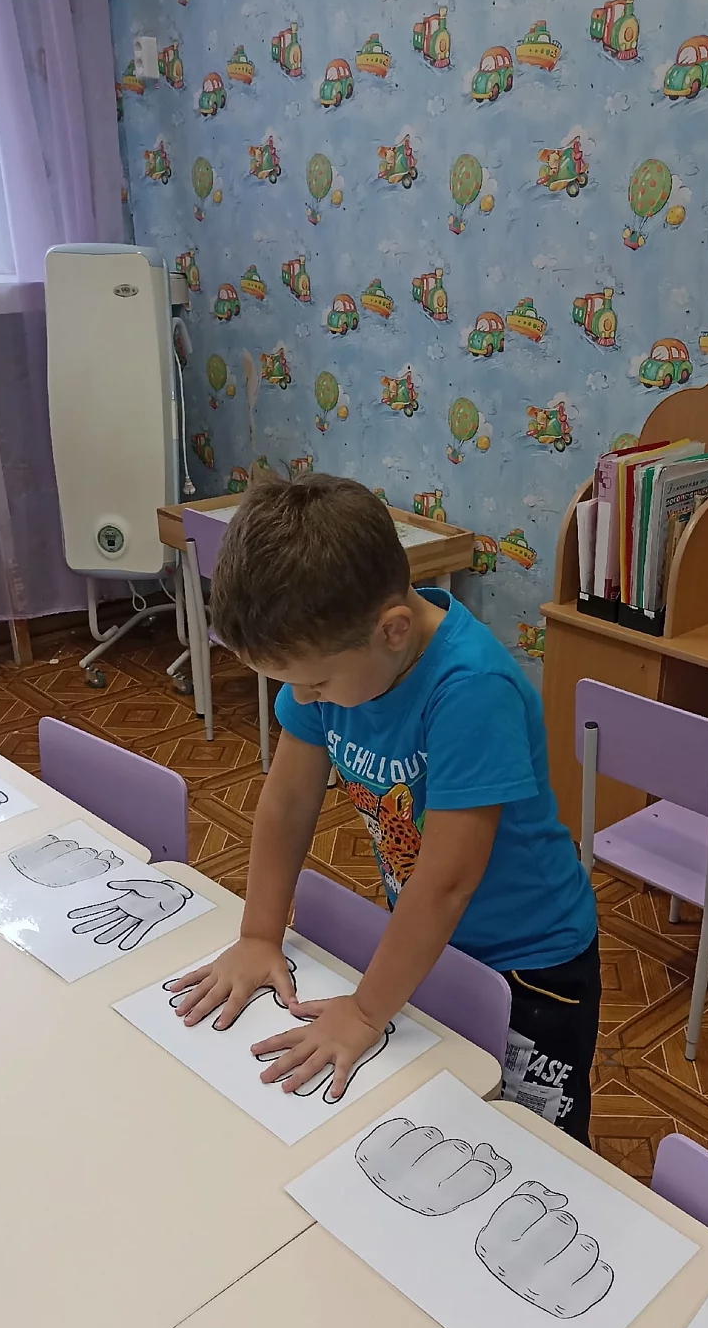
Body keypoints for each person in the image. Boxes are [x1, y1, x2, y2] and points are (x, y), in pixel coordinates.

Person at [169, 474, 601, 1141]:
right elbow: (287, 802)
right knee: (439, 1122)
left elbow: (447, 883)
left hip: (530, 964)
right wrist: (258, 933)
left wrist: (367, 1012)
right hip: (426, 944)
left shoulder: (471, 691)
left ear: (393, 631)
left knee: (533, 1143)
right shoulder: (338, 664)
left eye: (314, 684)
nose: (302, 700)